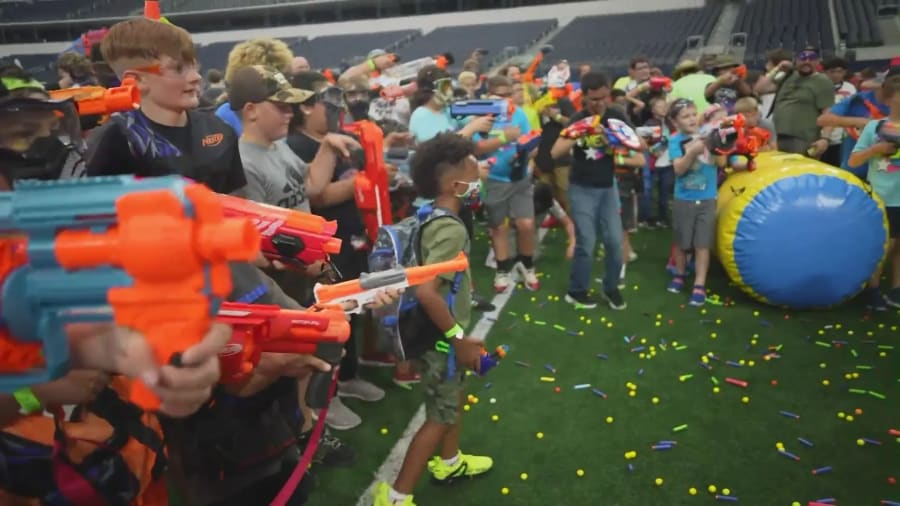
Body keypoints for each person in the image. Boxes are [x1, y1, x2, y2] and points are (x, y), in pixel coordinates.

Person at [0, 61, 234, 505]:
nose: (47, 149)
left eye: (48, 131)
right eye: (23, 135)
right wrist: (37, 390)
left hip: (120, 462)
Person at [373, 133, 491, 506]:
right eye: (474, 174)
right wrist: (458, 339)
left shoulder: (429, 214)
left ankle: (450, 462)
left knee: (450, 397)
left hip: (436, 334)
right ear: (455, 185)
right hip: (442, 338)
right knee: (439, 415)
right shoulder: (451, 228)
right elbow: (427, 292)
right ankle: (396, 496)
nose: (479, 179)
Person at [551, 72, 644, 310]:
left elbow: (640, 147)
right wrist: (581, 130)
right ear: (584, 97)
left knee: (614, 241)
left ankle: (611, 288)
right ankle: (576, 291)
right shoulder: (578, 118)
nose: (600, 103)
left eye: (604, 97)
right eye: (594, 99)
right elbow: (555, 152)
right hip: (581, 187)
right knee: (587, 242)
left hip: (607, 187)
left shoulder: (616, 115)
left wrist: (613, 139)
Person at [477, 75, 539, 292]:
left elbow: (531, 143)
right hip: (495, 179)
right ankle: (502, 270)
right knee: (498, 227)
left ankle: (527, 264)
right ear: (489, 95)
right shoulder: (481, 117)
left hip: (520, 176)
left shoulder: (519, 114)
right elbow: (477, 148)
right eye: (500, 95)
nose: (505, 100)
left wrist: (525, 154)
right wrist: (504, 138)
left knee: (526, 224)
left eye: (508, 95)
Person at [666, 98, 726, 306]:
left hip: (707, 198)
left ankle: (699, 284)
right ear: (675, 122)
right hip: (684, 198)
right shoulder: (675, 140)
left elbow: (722, 162)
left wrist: (717, 144)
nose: (691, 119)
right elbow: (678, 169)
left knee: (702, 244)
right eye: (685, 116)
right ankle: (680, 273)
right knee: (681, 242)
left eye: (693, 114)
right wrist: (692, 151)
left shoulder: (710, 134)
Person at [847, 75, 900, 310]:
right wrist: (877, 148)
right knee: (883, 245)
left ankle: (896, 289)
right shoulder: (874, 127)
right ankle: (872, 289)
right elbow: (853, 160)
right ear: (888, 100)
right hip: (883, 196)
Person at [817, 65, 897, 179]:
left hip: (889, 176)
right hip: (855, 170)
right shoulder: (858, 100)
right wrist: (859, 121)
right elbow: (823, 120)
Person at [759, 46, 834, 157]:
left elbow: (828, 112)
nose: (807, 61)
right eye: (803, 58)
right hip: (777, 137)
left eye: (812, 58)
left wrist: (825, 138)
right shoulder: (788, 76)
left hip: (803, 139)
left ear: (818, 61)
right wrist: (777, 68)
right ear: (796, 60)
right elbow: (760, 88)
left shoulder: (822, 81)